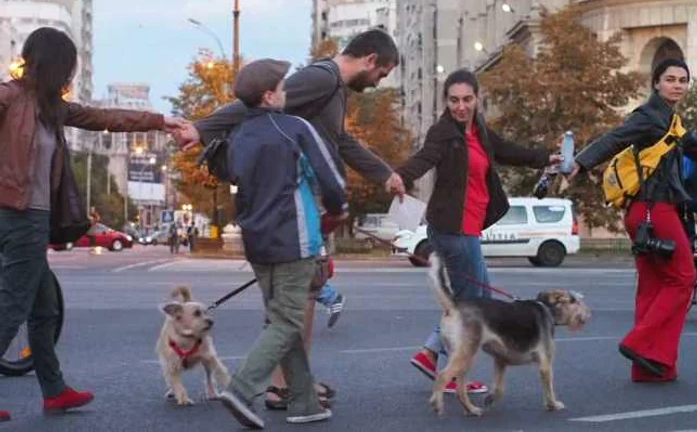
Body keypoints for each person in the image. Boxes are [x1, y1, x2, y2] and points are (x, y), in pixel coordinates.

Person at [173, 28, 404, 408]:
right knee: (299, 299)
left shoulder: (335, 89)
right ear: (371, 60)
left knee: (300, 297)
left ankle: (295, 384)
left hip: (299, 208)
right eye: (383, 73)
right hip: (293, 209)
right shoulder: (321, 78)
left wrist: (384, 173)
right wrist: (201, 129)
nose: (380, 82)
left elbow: (340, 141)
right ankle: (282, 386)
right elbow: (250, 105)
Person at [0, 27, 183, 421]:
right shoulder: (9, 96)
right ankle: (53, 389)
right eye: (68, 65)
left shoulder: (53, 107)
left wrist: (161, 121)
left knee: (45, 308)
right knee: (12, 306)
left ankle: (54, 390)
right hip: (16, 216)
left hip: (33, 217)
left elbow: (106, 118)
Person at [395, 69, 562, 394]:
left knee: (469, 300)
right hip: (452, 230)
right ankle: (445, 366)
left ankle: (431, 353)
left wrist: (546, 157)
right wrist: (401, 175)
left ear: (477, 99)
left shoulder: (480, 129)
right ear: (447, 101)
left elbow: (509, 150)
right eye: (454, 100)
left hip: (469, 227)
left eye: (467, 99)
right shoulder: (443, 132)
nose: (461, 107)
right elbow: (425, 158)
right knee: (476, 302)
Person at [216, 58, 347, 428]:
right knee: (288, 321)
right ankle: (241, 388)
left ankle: (304, 402)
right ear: (270, 96)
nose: (288, 92)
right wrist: (339, 209)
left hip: (257, 242)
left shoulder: (239, 136)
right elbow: (330, 178)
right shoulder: (295, 128)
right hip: (295, 237)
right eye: (283, 87)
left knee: (280, 319)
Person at [571, 58, 697, 382]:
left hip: (642, 213)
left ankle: (651, 369)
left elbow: (696, 148)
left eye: (683, 80)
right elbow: (615, 138)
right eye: (670, 79)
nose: (678, 85)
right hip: (655, 210)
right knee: (684, 278)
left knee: (654, 286)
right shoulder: (648, 116)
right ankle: (641, 344)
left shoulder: (673, 123)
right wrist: (581, 162)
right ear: (656, 83)